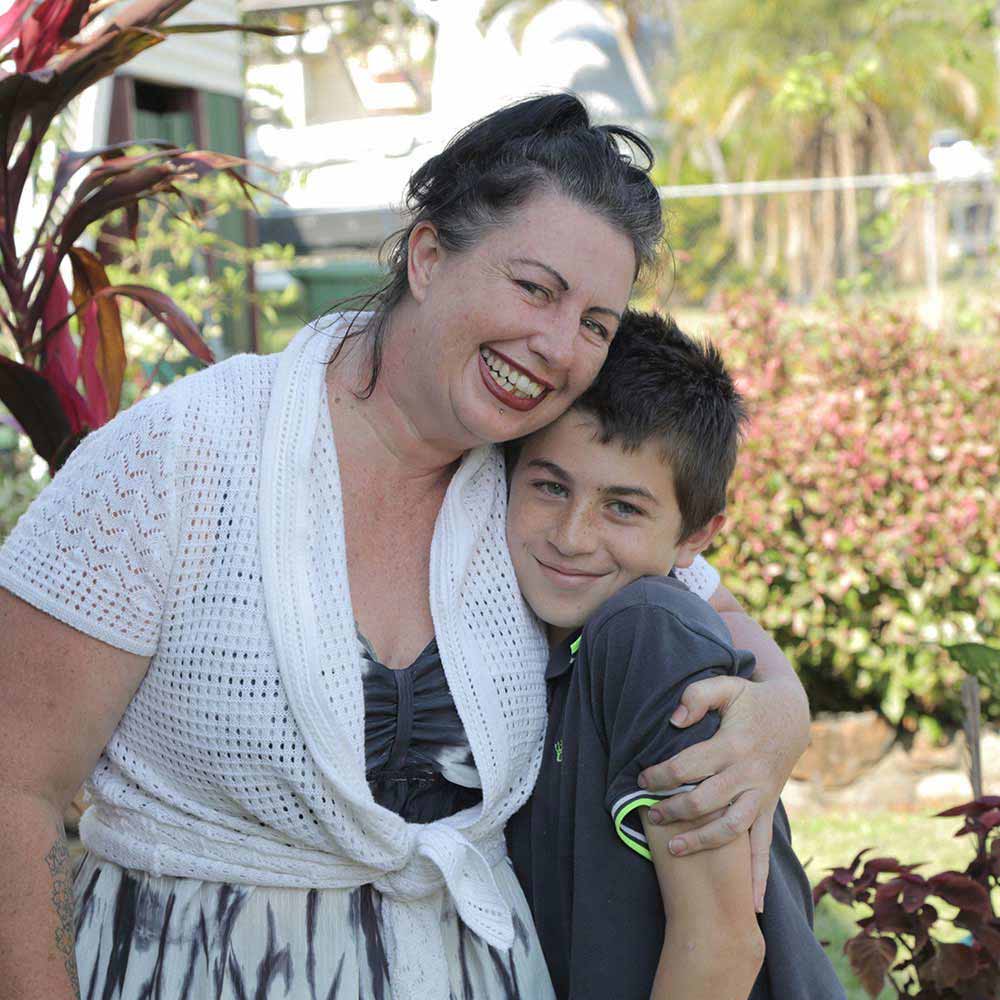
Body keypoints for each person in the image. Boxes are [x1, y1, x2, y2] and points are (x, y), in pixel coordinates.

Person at [0, 95, 809, 1000]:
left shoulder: (539, 486)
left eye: (595, 324)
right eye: (535, 288)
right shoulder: (184, 455)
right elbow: (14, 788)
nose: (557, 347)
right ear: (426, 256)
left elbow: (704, 603)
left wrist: (783, 712)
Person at [505, 310, 845, 1000]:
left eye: (623, 508)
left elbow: (720, 947)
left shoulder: (646, 630)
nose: (572, 536)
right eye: (550, 487)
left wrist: (787, 704)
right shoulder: (577, 629)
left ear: (695, 537)